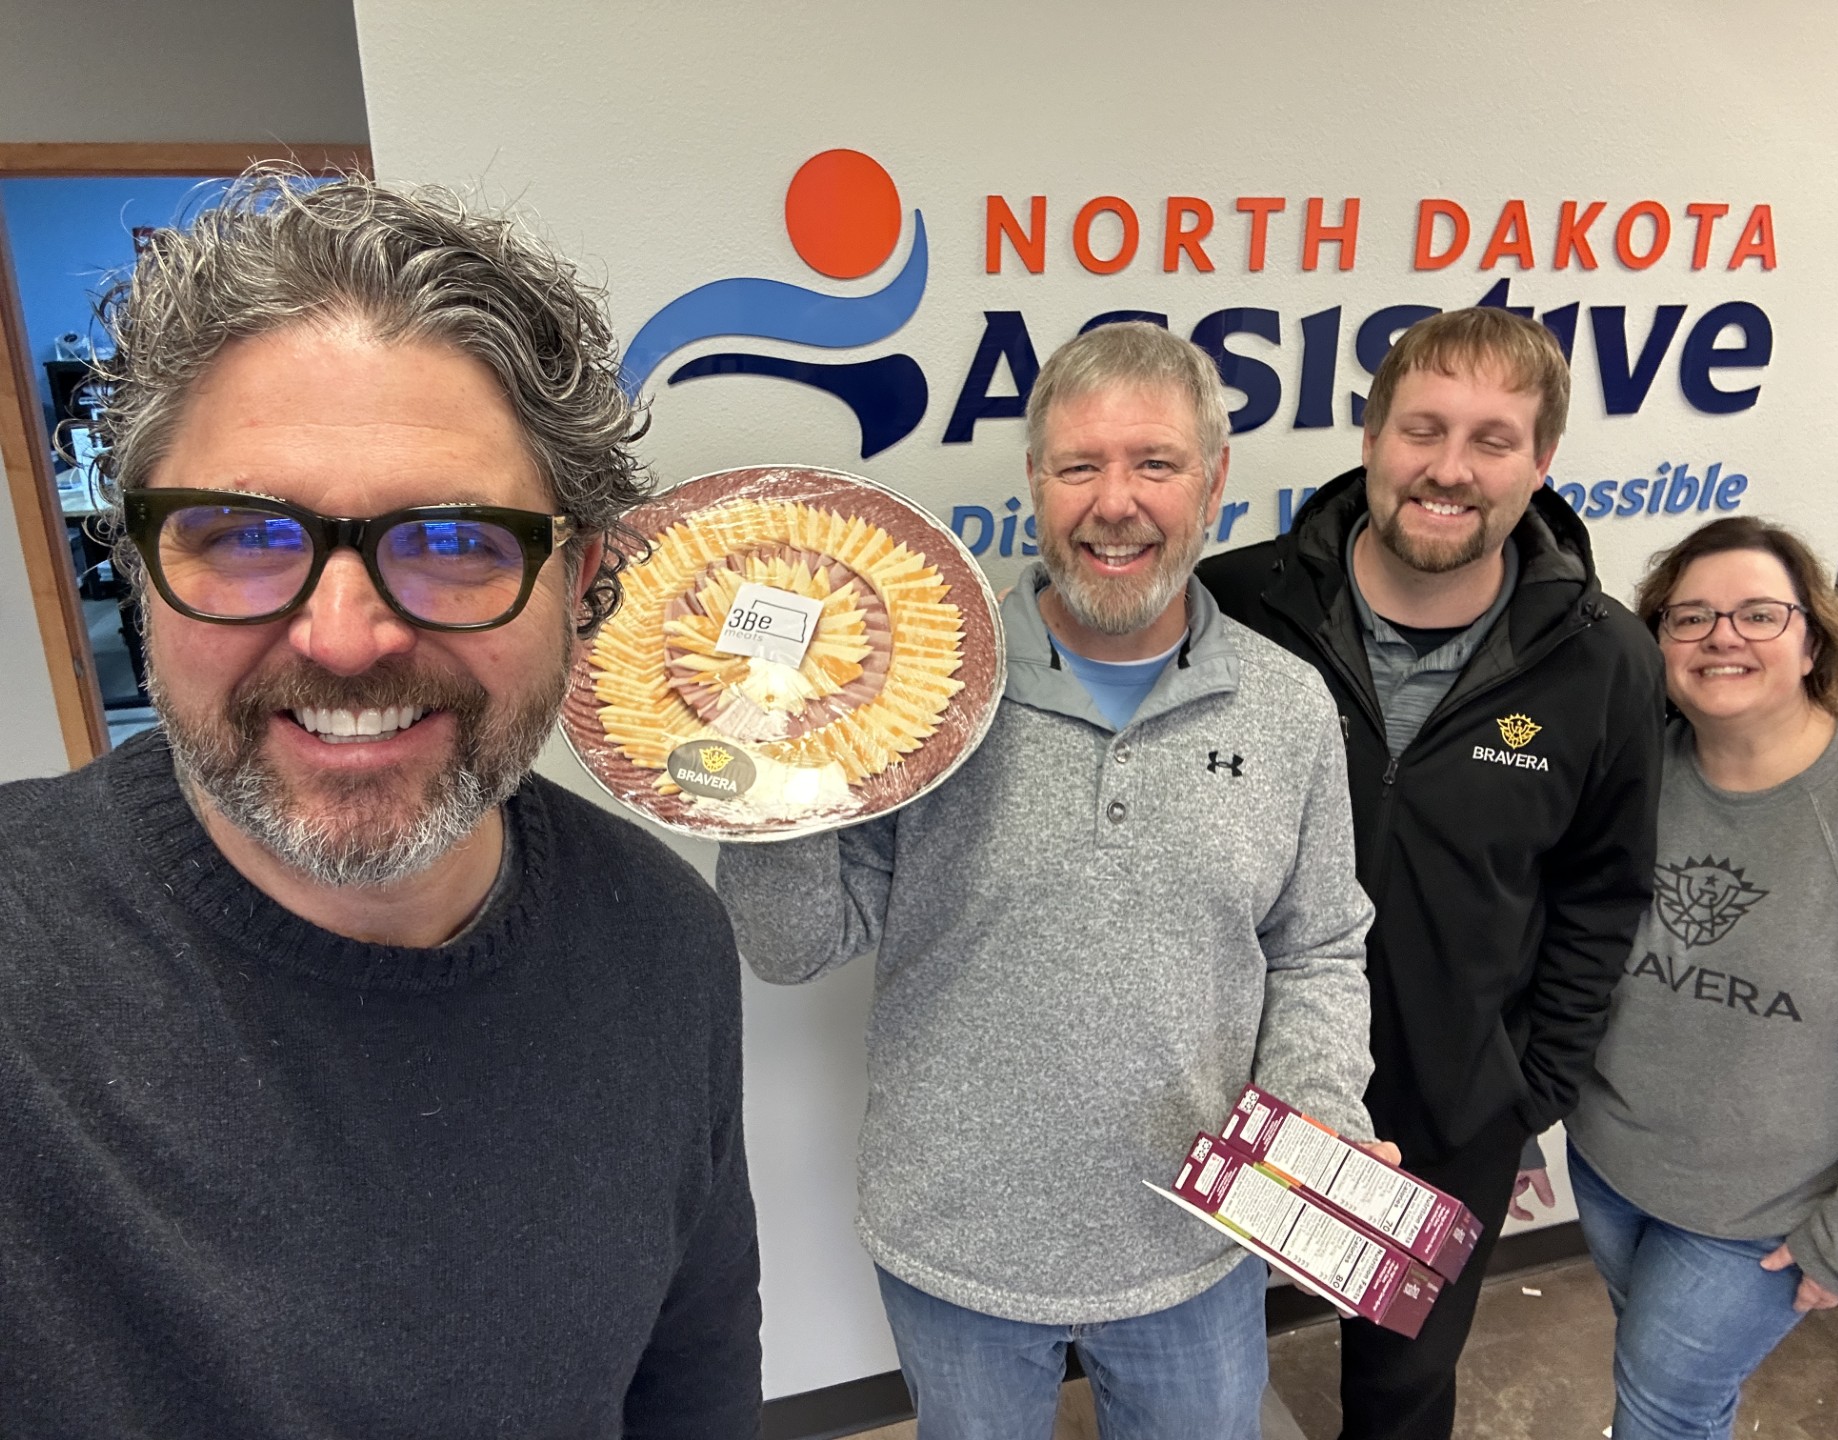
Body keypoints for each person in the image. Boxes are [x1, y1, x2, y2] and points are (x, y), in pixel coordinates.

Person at [0, 171, 760, 1438]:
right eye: (243, 534)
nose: (343, 638)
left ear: (581, 586)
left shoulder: (662, 938)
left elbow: (692, 1385)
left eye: (455, 542)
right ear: (138, 573)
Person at [716, 321, 1383, 1439]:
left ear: (1214, 481)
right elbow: (792, 946)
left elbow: (1315, 942)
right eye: (1080, 465)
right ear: (1035, 480)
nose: (1113, 502)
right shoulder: (924, 686)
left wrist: (1314, 1119)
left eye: (1154, 464)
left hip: (1197, 1238)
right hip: (956, 1242)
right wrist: (770, 760)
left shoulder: (1288, 705)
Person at [1198, 307, 1664, 1440]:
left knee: (1401, 1387)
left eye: (1493, 440)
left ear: (1542, 461)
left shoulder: (1604, 660)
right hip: (1225, 1081)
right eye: (1423, 429)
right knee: (1198, 1360)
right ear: (1371, 436)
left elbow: (1604, 889)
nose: (1449, 470)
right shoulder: (1234, 607)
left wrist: (1528, 1082)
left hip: (1454, 1103)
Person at [1564, 516, 1838, 1440]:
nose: (1723, 636)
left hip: (1765, 1209)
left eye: (1760, 614)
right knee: (1658, 1378)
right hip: (1611, 1163)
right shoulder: (1637, 771)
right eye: (1689, 619)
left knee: (1664, 1403)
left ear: (1813, 639)